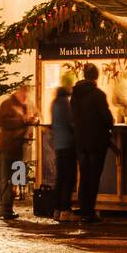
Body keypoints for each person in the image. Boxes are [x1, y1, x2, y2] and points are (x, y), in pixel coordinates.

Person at [70, 64, 114, 223]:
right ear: (96, 76)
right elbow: (107, 119)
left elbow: (72, 117)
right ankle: (89, 212)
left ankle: (84, 210)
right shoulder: (98, 95)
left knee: (84, 175)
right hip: (96, 142)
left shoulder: (75, 95)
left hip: (81, 142)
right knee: (93, 177)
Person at [0, 84, 35, 221]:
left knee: (17, 177)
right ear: (19, 92)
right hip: (8, 146)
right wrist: (23, 120)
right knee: (8, 178)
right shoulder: (8, 104)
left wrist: (33, 120)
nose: (26, 96)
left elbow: (34, 115)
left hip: (20, 146)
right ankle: (5, 207)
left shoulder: (25, 105)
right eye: (24, 93)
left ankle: (6, 207)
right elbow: (3, 121)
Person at [50, 73, 79, 222]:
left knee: (60, 178)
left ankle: (57, 209)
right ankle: (65, 210)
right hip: (68, 144)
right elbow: (70, 123)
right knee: (68, 178)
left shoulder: (55, 102)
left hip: (58, 145)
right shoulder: (65, 103)